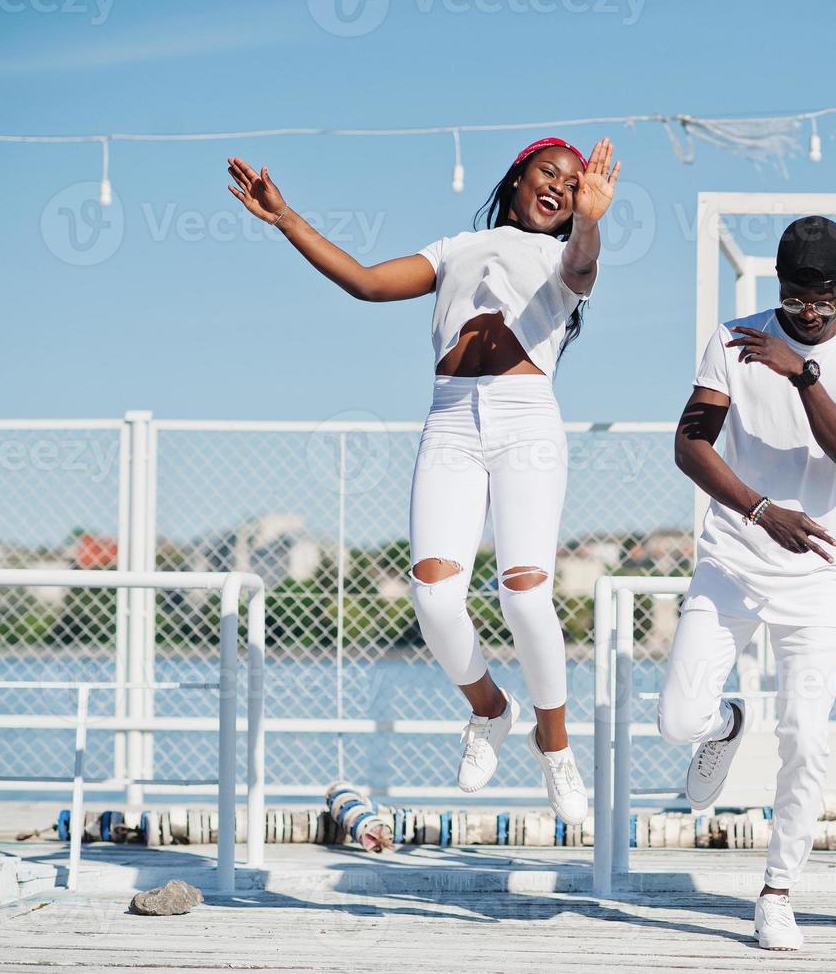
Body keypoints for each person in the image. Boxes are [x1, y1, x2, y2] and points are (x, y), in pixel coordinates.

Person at [225, 137, 620, 826]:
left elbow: (583, 267)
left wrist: (590, 220)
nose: (556, 186)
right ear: (518, 179)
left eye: (571, 184)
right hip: (450, 425)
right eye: (545, 174)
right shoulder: (455, 248)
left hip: (525, 425)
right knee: (434, 598)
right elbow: (366, 282)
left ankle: (554, 746)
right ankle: (491, 711)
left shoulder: (566, 255)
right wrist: (286, 218)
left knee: (525, 598)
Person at [657, 216, 836, 951]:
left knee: (806, 737)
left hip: (816, 571)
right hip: (733, 554)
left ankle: (776, 891)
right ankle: (726, 725)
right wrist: (760, 511)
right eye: (795, 293)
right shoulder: (734, 339)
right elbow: (688, 443)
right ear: (780, 285)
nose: (806, 309)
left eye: (821, 295)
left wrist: (802, 375)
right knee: (675, 720)